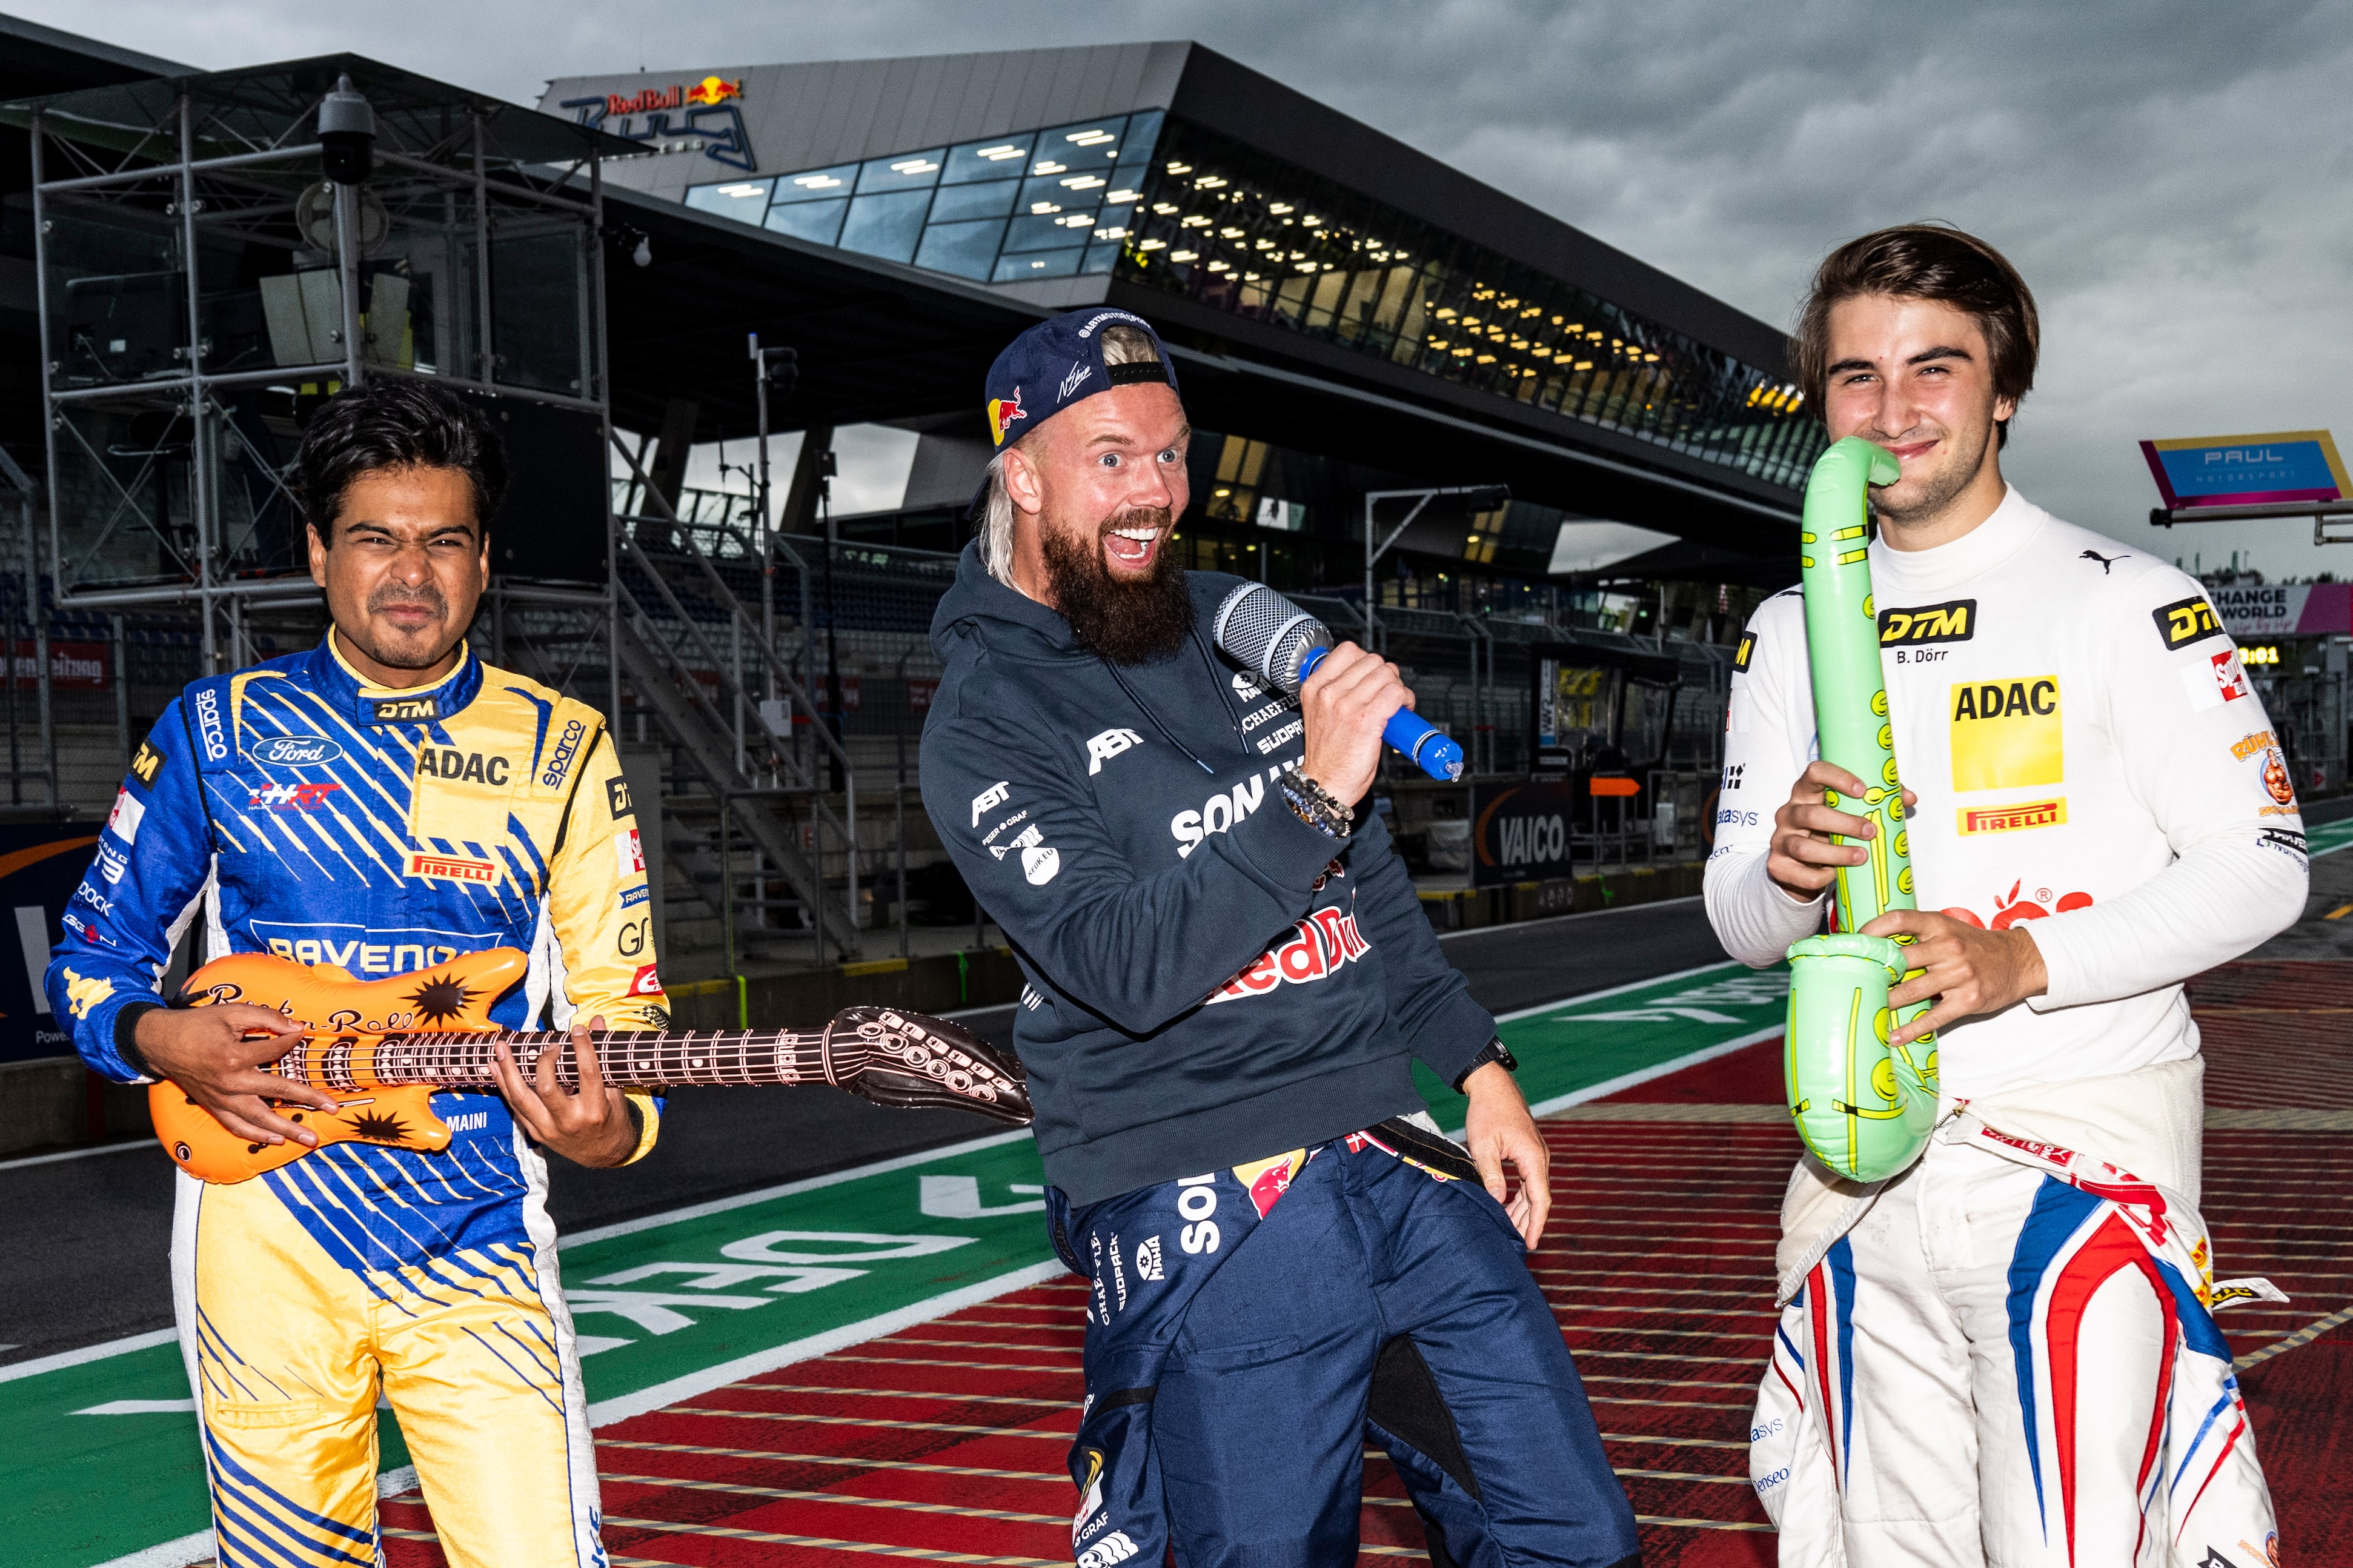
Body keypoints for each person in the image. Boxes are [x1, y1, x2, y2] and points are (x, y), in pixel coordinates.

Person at [920, 309, 1638, 1568]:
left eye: (1171, 454)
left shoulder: (1241, 627)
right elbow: (1124, 965)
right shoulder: (984, 715)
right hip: (1208, 1193)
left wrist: (1482, 1072)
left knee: (1573, 1536)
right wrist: (1310, 793)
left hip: (1394, 1151)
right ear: (1022, 477)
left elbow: (1370, 896)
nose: (1154, 492)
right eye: (1110, 459)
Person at [1707, 225, 2302, 1565]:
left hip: (2076, 1161)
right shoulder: (1785, 628)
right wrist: (1788, 872)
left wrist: (2019, 961)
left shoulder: (2130, 601)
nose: (1893, 410)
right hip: (1858, 1173)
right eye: (1856, 376)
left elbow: (2266, 862)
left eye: (1936, 367)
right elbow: (1739, 925)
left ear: (2006, 389)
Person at [48, 380, 666, 1568]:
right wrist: (156, 1038)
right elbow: (92, 956)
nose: (411, 575)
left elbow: (622, 1014)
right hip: (258, 1235)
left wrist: (616, 1129)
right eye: (376, 538)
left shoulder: (563, 748)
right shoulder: (215, 732)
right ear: (318, 552)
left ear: (485, 561)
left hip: (477, 1235)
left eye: (445, 542)